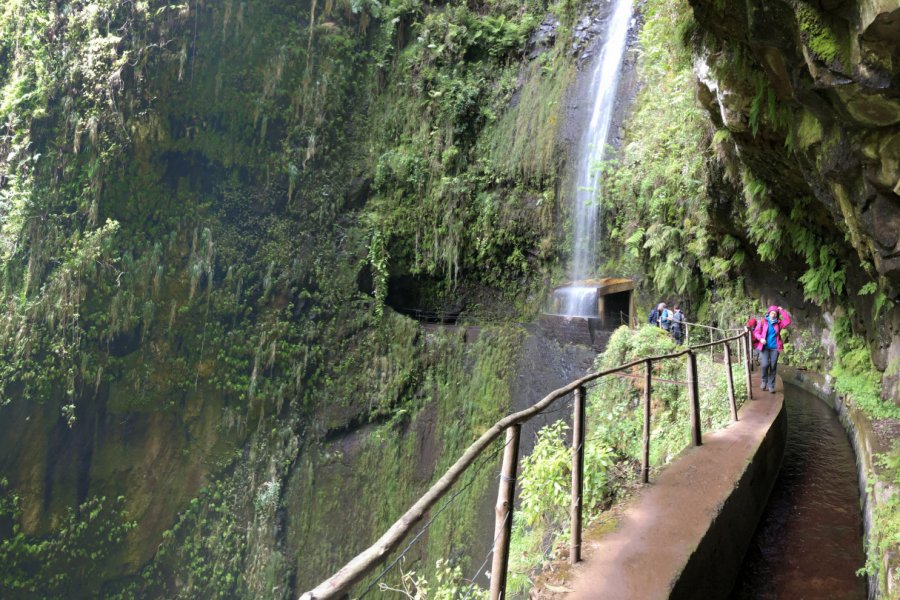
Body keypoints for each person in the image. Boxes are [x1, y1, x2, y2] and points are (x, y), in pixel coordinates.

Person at [753, 306, 791, 392]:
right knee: (765, 365)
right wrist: (760, 339)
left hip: (775, 348)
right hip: (764, 347)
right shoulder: (763, 322)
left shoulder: (779, 323)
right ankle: (764, 381)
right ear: (768, 313)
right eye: (772, 313)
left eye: (775, 313)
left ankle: (771, 385)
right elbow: (756, 332)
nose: (773, 315)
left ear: (777, 315)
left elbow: (788, 320)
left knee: (773, 366)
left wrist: (781, 310)